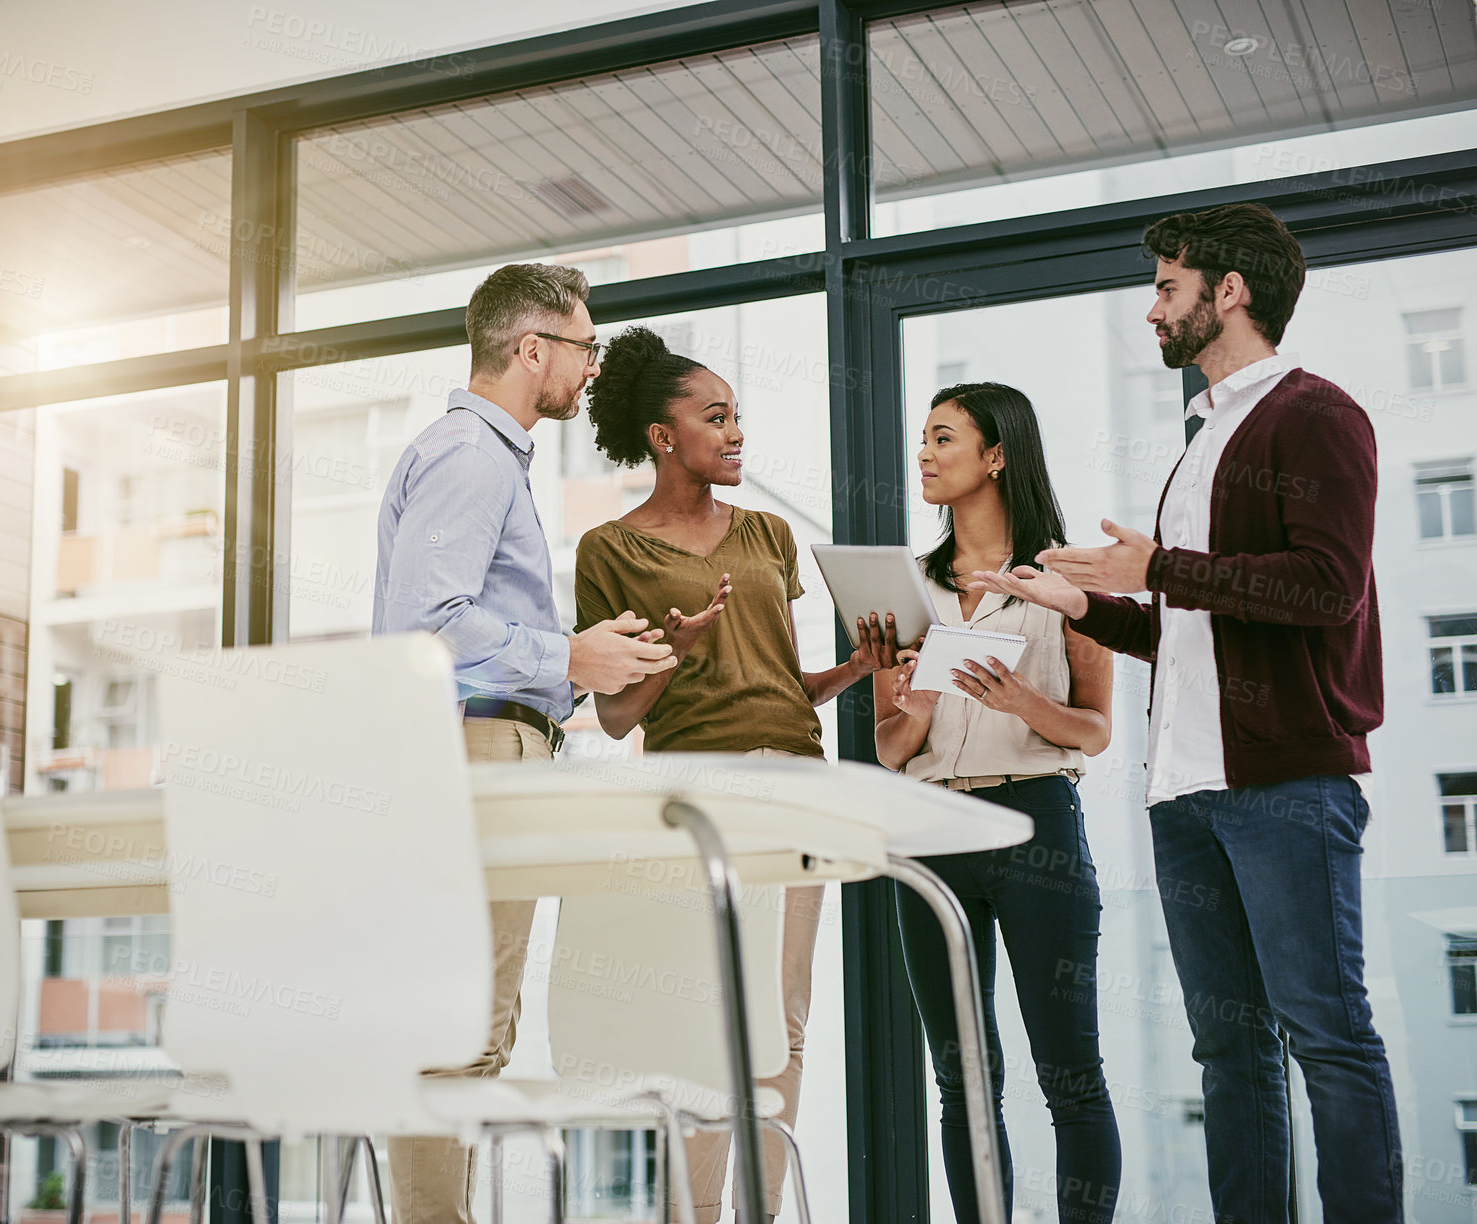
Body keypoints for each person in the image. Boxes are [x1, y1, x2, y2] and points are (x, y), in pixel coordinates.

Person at [971, 202, 1403, 1223]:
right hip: (1188, 796)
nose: (1153, 307)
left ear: (1230, 292)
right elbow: (1196, 632)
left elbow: (1327, 587)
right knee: (1229, 1049)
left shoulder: (1316, 415)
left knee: (1328, 1037)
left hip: (1286, 786)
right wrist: (1086, 604)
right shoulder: (1205, 439)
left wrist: (1157, 566)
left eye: (1168, 286)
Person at [372, 263, 678, 1224]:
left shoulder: (477, 455)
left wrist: (578, 664)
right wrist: (570, 656)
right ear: (531, 347)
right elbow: (429, 625)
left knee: (462, 1024)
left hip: (478, 748)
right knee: (461, 1029)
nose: (592, 368)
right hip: (477, 749)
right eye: (584, 346)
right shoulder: (472, 455)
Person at [572, 325, 897, 1224]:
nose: (736, 432)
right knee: (703, 1024)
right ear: (663, 435)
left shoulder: (768, 534)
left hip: (796, 781)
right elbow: (613, 715)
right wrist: (669, 654)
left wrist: (859, 670)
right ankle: (696, 1214)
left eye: (738, 415)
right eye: (716, 417)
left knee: (778, 1022)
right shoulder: (610, 549)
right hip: (694, 796)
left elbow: (786, 685)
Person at [874, 381, 1121, 1224]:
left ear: (997, 455)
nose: (925, 455)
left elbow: (1094, 729)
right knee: (961, 1076)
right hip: (930, 831)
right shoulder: (909, 589)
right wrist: (914, 710)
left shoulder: (1061, 581)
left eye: (943, 438)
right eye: (923, 439)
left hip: (1034, 830)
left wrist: (1024, 705)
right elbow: (888, 747)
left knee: (1069, 1074)